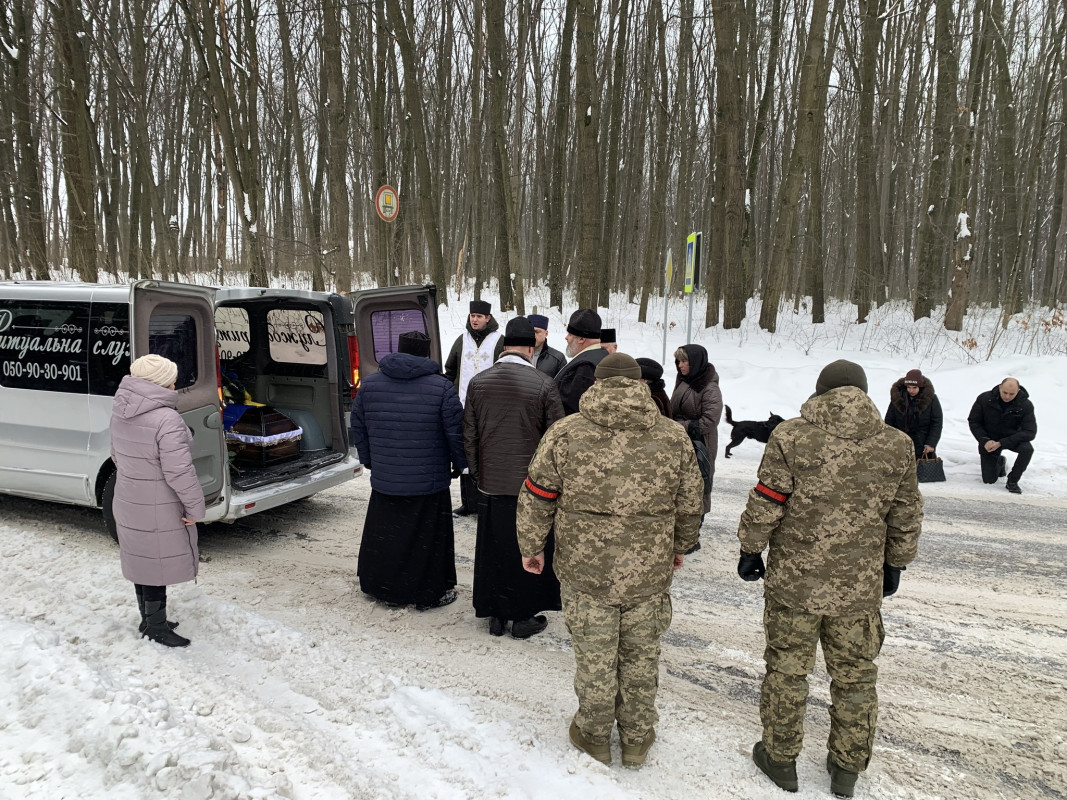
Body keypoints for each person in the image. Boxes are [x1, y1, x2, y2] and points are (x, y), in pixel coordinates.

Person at [736, 359, 923, 798]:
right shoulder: (897, 444)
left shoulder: (792, 436)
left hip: (793, 583)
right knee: (856, 676)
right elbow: (906, 511)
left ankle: (780, 759)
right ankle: (846, 768)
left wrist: (750, 548)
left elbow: (768, 499)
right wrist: (895, 562)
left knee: (786, 670)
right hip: (858, 585)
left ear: (819, 392)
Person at [517, 353, 704, 768]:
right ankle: (637, 739)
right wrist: (679, 546)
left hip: (587, 571)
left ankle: (594, 734)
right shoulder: (673, 437)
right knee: (641, 656)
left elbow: (537, 495)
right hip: (648, 571)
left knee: (596, 656)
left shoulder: (565, 433)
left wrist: (532, 547)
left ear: (595, 384)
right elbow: (692, 503)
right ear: (639, 386)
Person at [464, 318, 565, 639]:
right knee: (528, 549)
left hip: (492, 485)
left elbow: (469, 436)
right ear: (531, 347)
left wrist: (480, 476)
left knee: (494, 549)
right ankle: (522, 615)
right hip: (531, 487)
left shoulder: (478, 383)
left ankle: (495, 611)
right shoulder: (544, 384)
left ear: (504, 344)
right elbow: (557, 440)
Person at [351, 331, 466, 610]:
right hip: (428, 481)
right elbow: (455, 433)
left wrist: (369, 460)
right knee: (427, 541)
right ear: (427, 354)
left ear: (399, 350)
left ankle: (381, 586)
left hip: (386, 479)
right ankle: (428, 591)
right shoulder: (441, 388)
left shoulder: (369, 385)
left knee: (386, 536)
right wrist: (460, 464)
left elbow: (359, 428)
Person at [110, 354, 206, 648]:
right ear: (162, 382)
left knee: (143, 560)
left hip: (128, 497)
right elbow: (179, 473)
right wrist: (195, 508)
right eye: (171, 378)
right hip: (159, 505)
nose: (175, 382)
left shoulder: (120, 409)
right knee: (156, 565)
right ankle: (156, 628)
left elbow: (115, 455)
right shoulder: (167, 418)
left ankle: (149, 619)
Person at [444, 300, 502, 516]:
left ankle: (484, 502)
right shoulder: (462, 340)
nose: (474, 320)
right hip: (462, 406)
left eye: (479, 316)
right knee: (465, 453)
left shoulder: (499, 341)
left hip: (489, 409)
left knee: (485, 453)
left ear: (488, 318)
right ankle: (468, 503)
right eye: (472, 316)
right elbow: (450, 369)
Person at [671, 344, 723, 511]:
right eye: (678, 361)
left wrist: (679, 426)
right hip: (683, 440)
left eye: (684, 361)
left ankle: (696, 524)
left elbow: (710, 420)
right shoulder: (684, 380)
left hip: (701, 443)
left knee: (699, 484)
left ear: (696, 362)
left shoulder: (709, 387)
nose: (680, 365)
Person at [967, 377, 1037, 494]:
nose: (1007, 396)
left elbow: (1030, 432)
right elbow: (974, 421)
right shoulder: (985, 399)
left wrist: (1002, 443)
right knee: (989, 480)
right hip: (989, 438)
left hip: (1012, 438)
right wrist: (984, 440)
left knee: (1027, 449)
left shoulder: (1025, 405)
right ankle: (1000, 461)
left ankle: (1013, 480)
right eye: (1005, 392)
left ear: (1018, 391)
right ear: (1000, 387)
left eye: (1012, 394)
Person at [553, 308, 608, 415]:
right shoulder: (601, 355)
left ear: (581, 339)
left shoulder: (585, 367)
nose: (566, 338)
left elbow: (572, 409)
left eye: (570, 334)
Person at [884, 369, 943, 459]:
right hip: (900, 444)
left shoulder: (931, 399)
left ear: (920, 386)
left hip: (922, 445)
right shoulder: (897, 398)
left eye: (914, 388)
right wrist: (890, 439)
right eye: (909, 387)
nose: (911, 390)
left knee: (920, 472)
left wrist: (931, 443)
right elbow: (889, 421)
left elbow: (936, 422)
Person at [528, 313, 567, 378]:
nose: (533, 335)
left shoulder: (557, 359)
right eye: (530, 331)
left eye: (537, 332)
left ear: (546, 334)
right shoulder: (517, 354)